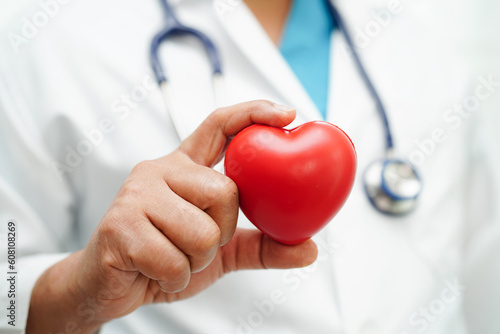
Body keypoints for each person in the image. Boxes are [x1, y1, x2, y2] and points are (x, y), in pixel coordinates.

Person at [1, 0, 499, 333]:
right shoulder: (49, 42)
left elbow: (481, 278)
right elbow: (5, 290)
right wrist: (84, 290)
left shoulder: (428, 48)